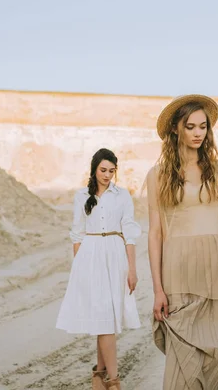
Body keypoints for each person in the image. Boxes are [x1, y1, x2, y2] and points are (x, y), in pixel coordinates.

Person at [146, 95, 218, 389]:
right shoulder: (158, 175)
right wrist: (157, 289)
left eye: (203, 127)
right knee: (180, 373)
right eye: (190, 126)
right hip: (178, 276)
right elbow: (155, 233)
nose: (198, 133)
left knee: (215, 360)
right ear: (176, 130)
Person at [56, 148, 141, 390]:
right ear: (94, 169)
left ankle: (98, 377)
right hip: (90, 256)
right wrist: (79, 267)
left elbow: (130, 233)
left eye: (112, 171)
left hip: (115, 254)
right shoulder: (81, 195)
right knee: (103, 318)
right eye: (103, 170)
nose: (107, 175)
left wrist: (132, 269)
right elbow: (77, 232)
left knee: (108, 318)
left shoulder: (122, 195)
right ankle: (113, 382)